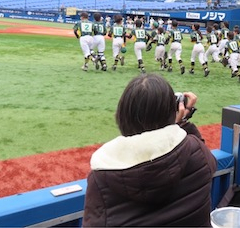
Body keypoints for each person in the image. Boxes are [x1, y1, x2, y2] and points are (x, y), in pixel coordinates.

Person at [83, 74, 217, 227]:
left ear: (123, 115)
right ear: (171, 113)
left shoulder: (101, 177)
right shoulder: (196, 151)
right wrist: (181, 122)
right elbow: (208, 161)